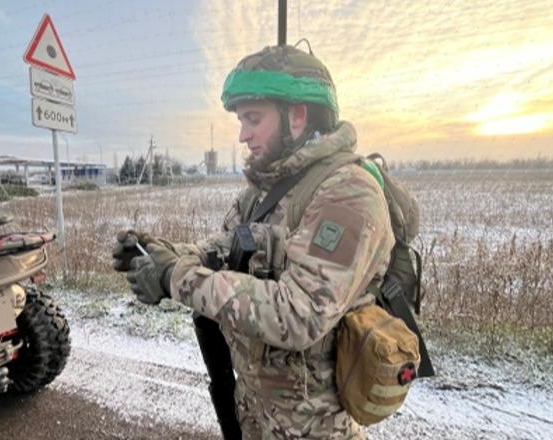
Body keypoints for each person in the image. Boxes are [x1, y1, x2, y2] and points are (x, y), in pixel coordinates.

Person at [113, 44, 395, 440]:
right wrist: (160, 253)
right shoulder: (262, 192)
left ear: (297, 116)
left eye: (254, 119)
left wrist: (173, 277)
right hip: (254, 413)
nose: (243, 135)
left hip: (313, 428)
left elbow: (300, 314)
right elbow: (219, 250)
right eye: (241, 120)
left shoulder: (349, 194)